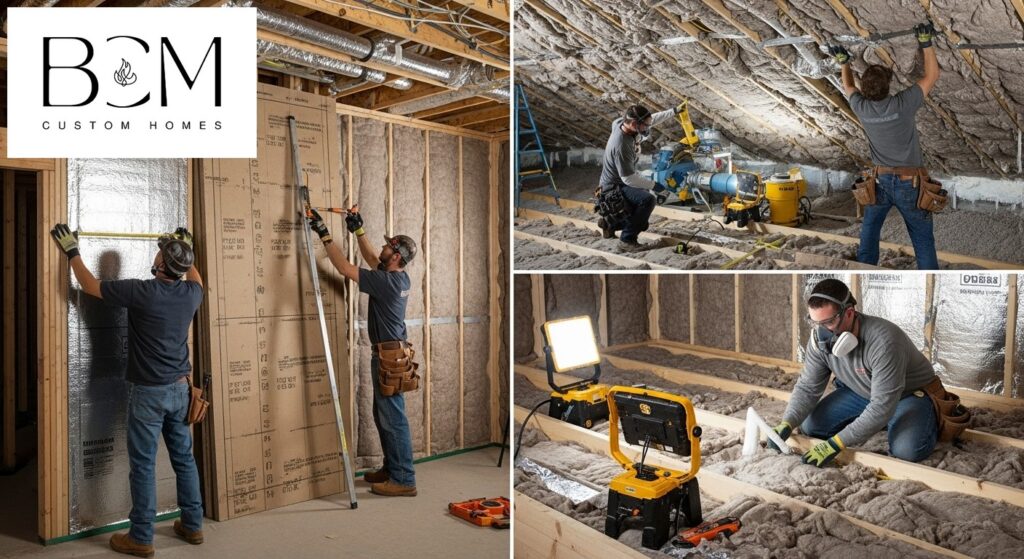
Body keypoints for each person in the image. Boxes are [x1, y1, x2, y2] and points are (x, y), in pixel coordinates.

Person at [50, 224, 205, 556]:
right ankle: (193, 526)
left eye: (162, 253)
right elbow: (197, 279)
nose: (158, 253)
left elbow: (89, 285)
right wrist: (183, 249)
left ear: (162, 266)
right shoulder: (191, 293)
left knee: (144, 466)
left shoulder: (142, 291)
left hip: (149, 394)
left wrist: (72, 251)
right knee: (184, 460)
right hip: (180, 391)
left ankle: (141, 537)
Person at [306, 206, 419, 497]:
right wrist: (358, 231)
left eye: (387, 246)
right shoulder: (398, 277)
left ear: (395, 257)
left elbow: (345, 268)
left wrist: (324, 234)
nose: (382, 247)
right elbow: (372, 258)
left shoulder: (387, 283)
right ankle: (392, 468)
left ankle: (404, 479)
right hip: (392, 353)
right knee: (384, 414)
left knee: (393, 418)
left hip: (388, 356)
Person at [767, 279, 940, 466]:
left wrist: (836, 443)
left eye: (828, 322)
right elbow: (808, 387)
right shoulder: (819, 342)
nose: (822, 331)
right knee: (811, 426)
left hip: (908, 395)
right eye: (816, 322)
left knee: (907, 450)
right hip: (863, 390)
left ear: (849, 313)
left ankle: (922, 420)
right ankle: (877, 422)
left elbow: (882, 405)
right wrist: (788, 422)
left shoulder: (884, 342)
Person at [831, 22, 941, 269]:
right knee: (922, 240)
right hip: (909, 184)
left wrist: (844, 62)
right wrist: (926, 43)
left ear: (865, 89)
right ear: (888, 86)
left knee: (868, 233)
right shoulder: (902, 104)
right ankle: (928, 274)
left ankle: (865, 268)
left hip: (879, 182)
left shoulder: (861, 107)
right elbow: (932, 76)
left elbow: (847, 86)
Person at [597, 103, 685, 246]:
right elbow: (629, 179)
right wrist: (656, 186)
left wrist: (674, 111)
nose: (648, 128)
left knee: (641, 217)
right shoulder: (621, 145)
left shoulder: (621, 123)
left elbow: (651, 120)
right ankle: (627, 240)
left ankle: (610, 224)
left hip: (616, 181)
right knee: (647, 200)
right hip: (614, 187)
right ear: (633, 124)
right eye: (645, 126)